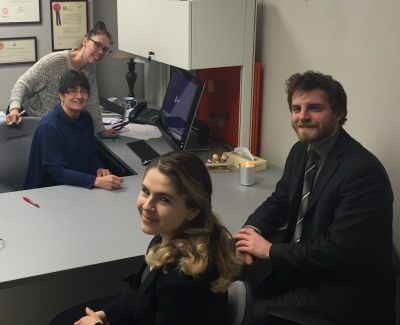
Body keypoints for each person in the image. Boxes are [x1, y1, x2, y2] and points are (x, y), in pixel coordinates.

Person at [234, 71, 395, 325]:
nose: (303, 116)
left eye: (315, 108)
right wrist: (249, 232)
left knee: (238, 313)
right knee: (226, 294)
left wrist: (270, 250)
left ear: (339, 113)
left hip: (339, 290)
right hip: (300, 270)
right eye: (296, 108)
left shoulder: (362, 172)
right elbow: (280, 200)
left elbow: (337, 250)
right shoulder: (301, 152)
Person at [50, 151, 239, 325]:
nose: (147, 205)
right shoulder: (166, 237)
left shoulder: (182, 281)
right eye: (146, 191)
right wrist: (109, 315)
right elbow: (143, 294)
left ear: (193, 210)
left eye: (164, 199)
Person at [5, 21, 117, 138]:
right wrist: (14, 110)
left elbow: (92, 100)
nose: (100, 52)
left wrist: (100, 129)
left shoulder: (90, 67)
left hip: (58, 124)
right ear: (85, 41)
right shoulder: (55, 61)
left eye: (105, 49)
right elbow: (23, 84)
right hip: (31, 119)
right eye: (97, 45)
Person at [24, 70, 123, 190]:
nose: (79, 96)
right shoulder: (48, 127)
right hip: (48, 191)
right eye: (73, 91)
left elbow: (90, 156)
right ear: (61, 95)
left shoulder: (85, 117)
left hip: (76, 185)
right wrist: (95, 181)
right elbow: (57, 172)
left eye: (84, 91)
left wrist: (99, 169)